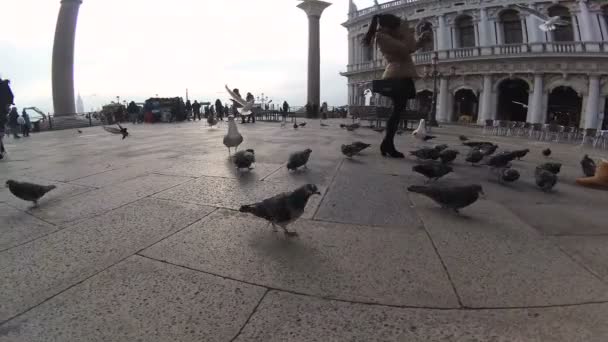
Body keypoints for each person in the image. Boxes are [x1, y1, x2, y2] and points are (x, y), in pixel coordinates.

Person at [362, 13, 431, 158]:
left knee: (398, 112)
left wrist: (420, 40)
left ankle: (388, 143)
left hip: (402, 74)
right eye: (397, 26)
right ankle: (388, 144)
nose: (400, 29)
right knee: (396, 112)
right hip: (397, 76)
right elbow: (405, 49)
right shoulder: (382, 37)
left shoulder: (389, 36)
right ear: (390, 26)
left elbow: (409, 48)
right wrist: (407, 32)